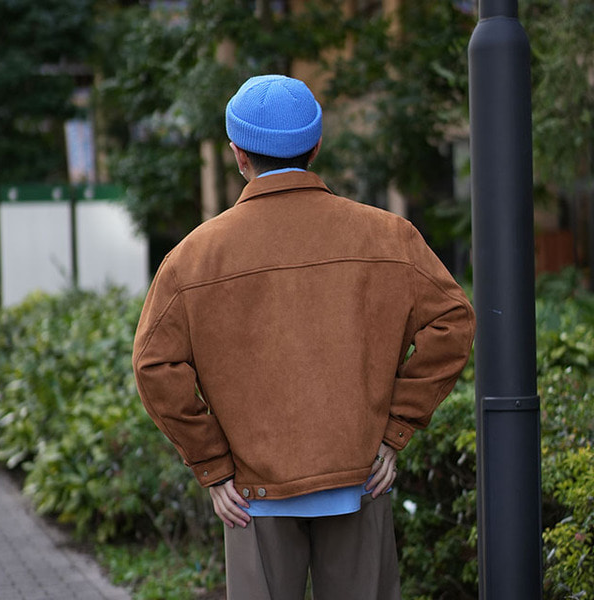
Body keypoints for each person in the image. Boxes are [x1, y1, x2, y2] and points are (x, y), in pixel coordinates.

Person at [132, 74, 475, 600]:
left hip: (251, 493)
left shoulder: (194, 256)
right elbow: (452, 321)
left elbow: (154, 364)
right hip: (360, 478)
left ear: (238, 154)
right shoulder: (389, 236)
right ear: (315, 147)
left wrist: (213, 466)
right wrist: (395, 429)